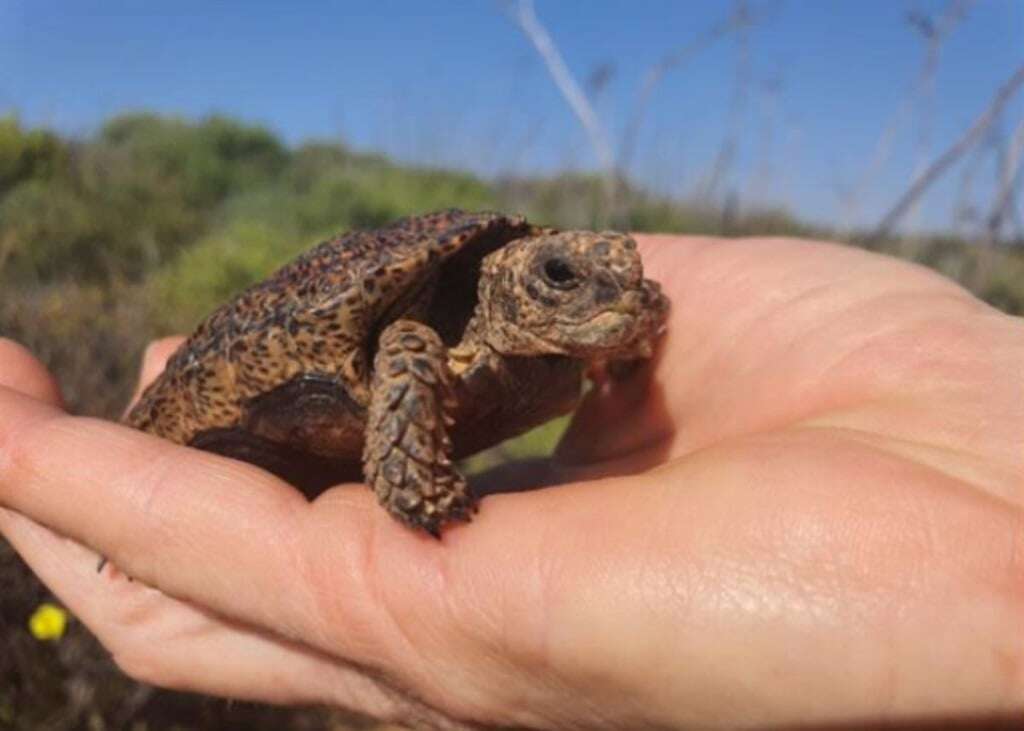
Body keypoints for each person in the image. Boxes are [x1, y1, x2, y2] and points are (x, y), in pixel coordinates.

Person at [0, 234, 1021, 729]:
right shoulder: (416, 325)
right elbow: (406, 343)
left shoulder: (576, 336)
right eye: (561, 283)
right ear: (500, 281)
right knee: (135, 470)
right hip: (253, 391)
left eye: (619, 291)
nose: (608, 303)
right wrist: (412, 481)